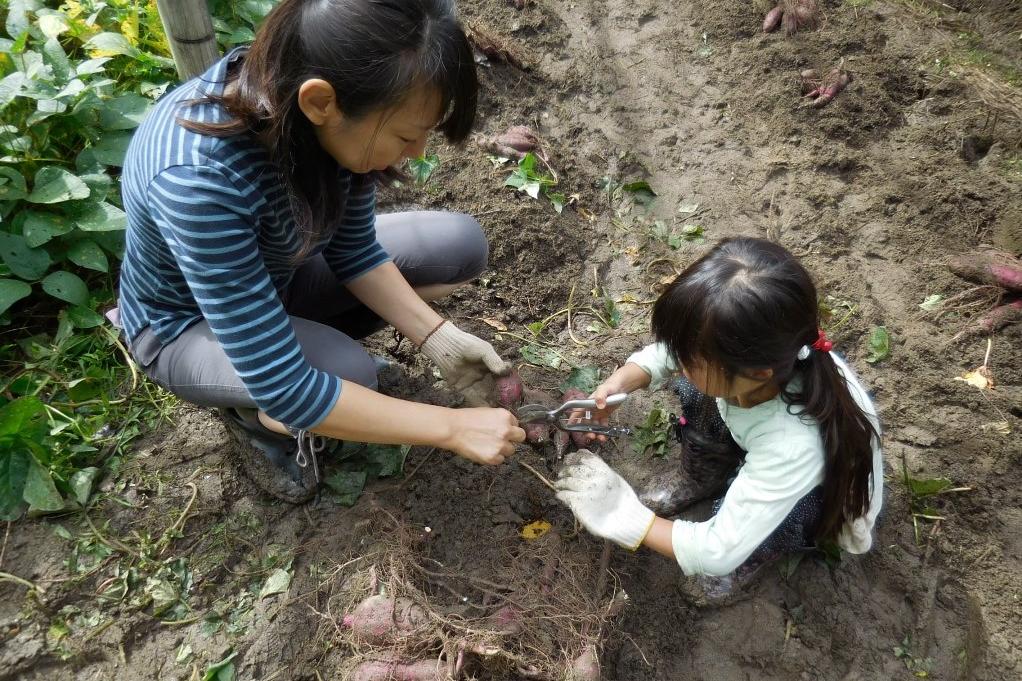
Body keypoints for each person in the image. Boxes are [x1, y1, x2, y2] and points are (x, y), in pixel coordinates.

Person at [115, 0, 526, 503]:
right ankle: (257, 422)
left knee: (458, 246)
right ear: (321, 102)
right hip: (187, 325)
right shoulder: (198, 181)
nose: (418, 152)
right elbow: (289, 387)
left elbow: (353, 250)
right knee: (346, 375)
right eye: (406, 134)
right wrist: (451, 427)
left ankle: (313, 350)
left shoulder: (319, 104)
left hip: (280, 273)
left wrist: (439, 339)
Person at [554, 237, 883, 599]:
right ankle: (702, 475)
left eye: (690, 357)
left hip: (814, 496)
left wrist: (622, 515)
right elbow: (672, 354)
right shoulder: (751, 354)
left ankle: (759, 550)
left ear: (757, 372)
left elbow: (715, 551)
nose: (678, 360)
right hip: (760, 434)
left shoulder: (792, 445)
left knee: (778, 522)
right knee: (699, 389)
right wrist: (618, 383)